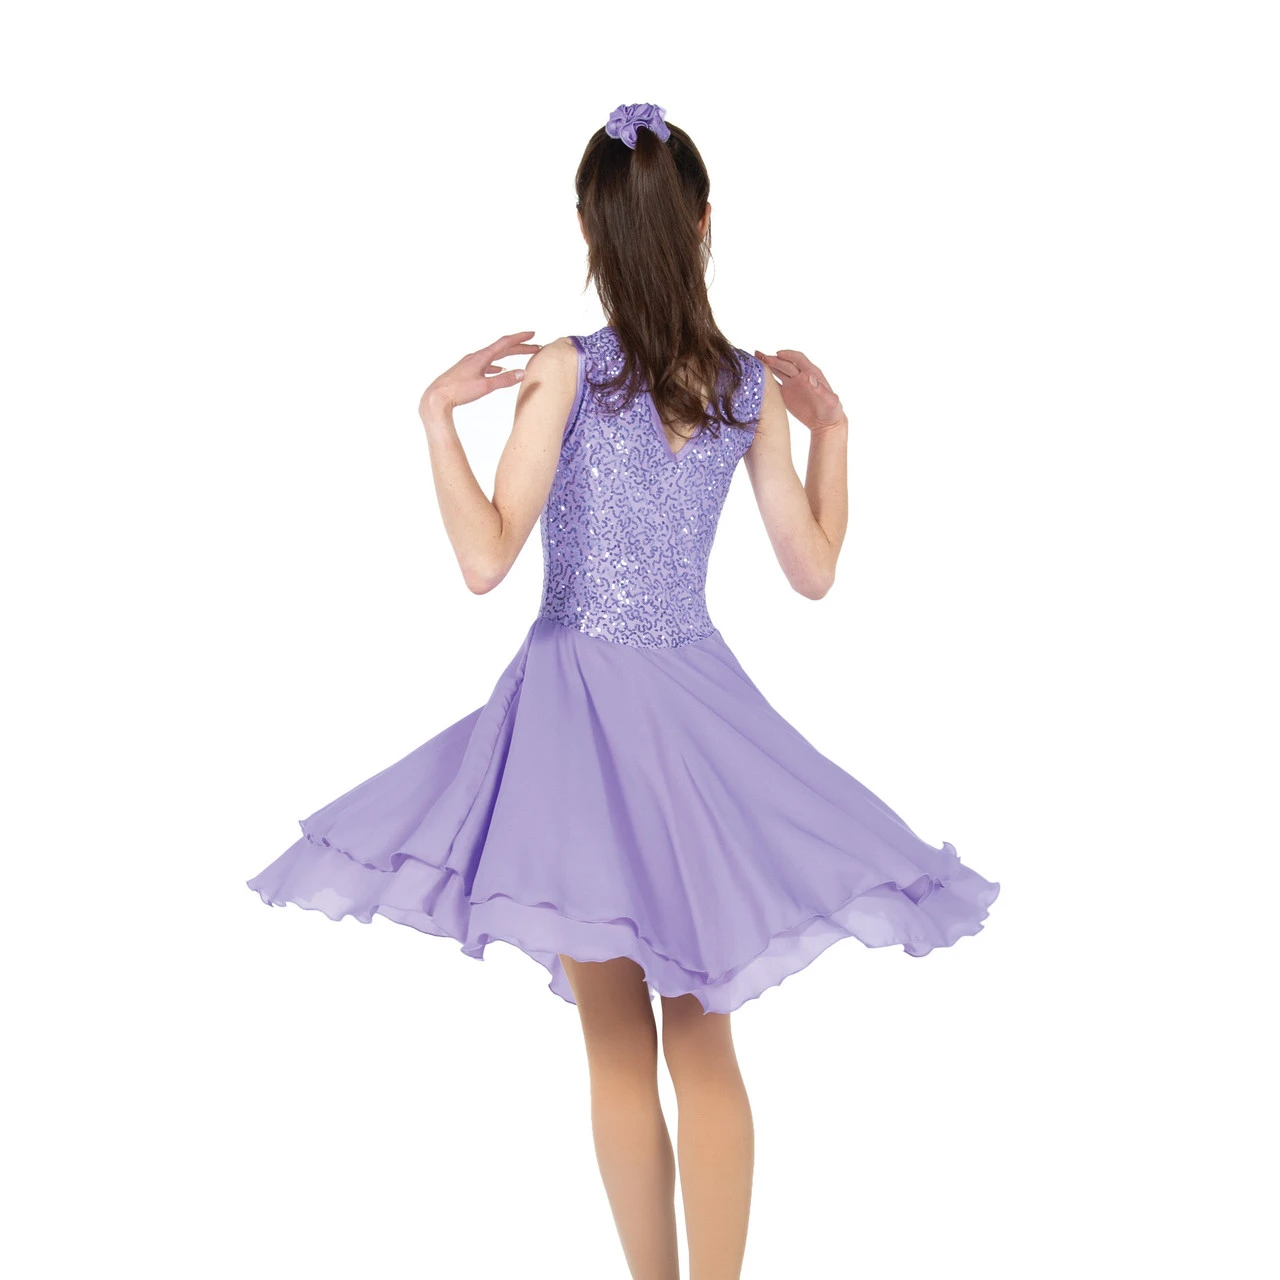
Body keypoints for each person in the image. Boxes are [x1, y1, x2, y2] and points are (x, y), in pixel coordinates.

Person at [247, 102, 1000, 1280]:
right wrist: (834, 433)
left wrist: (436, 421)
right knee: (703, 1042)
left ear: (587, 229)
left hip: (573, 716)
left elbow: (485, 559)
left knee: (615, 1046)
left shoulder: (565, 371)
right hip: (693, 714)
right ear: (703, 224)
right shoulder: (745, 386)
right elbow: (812, 572)